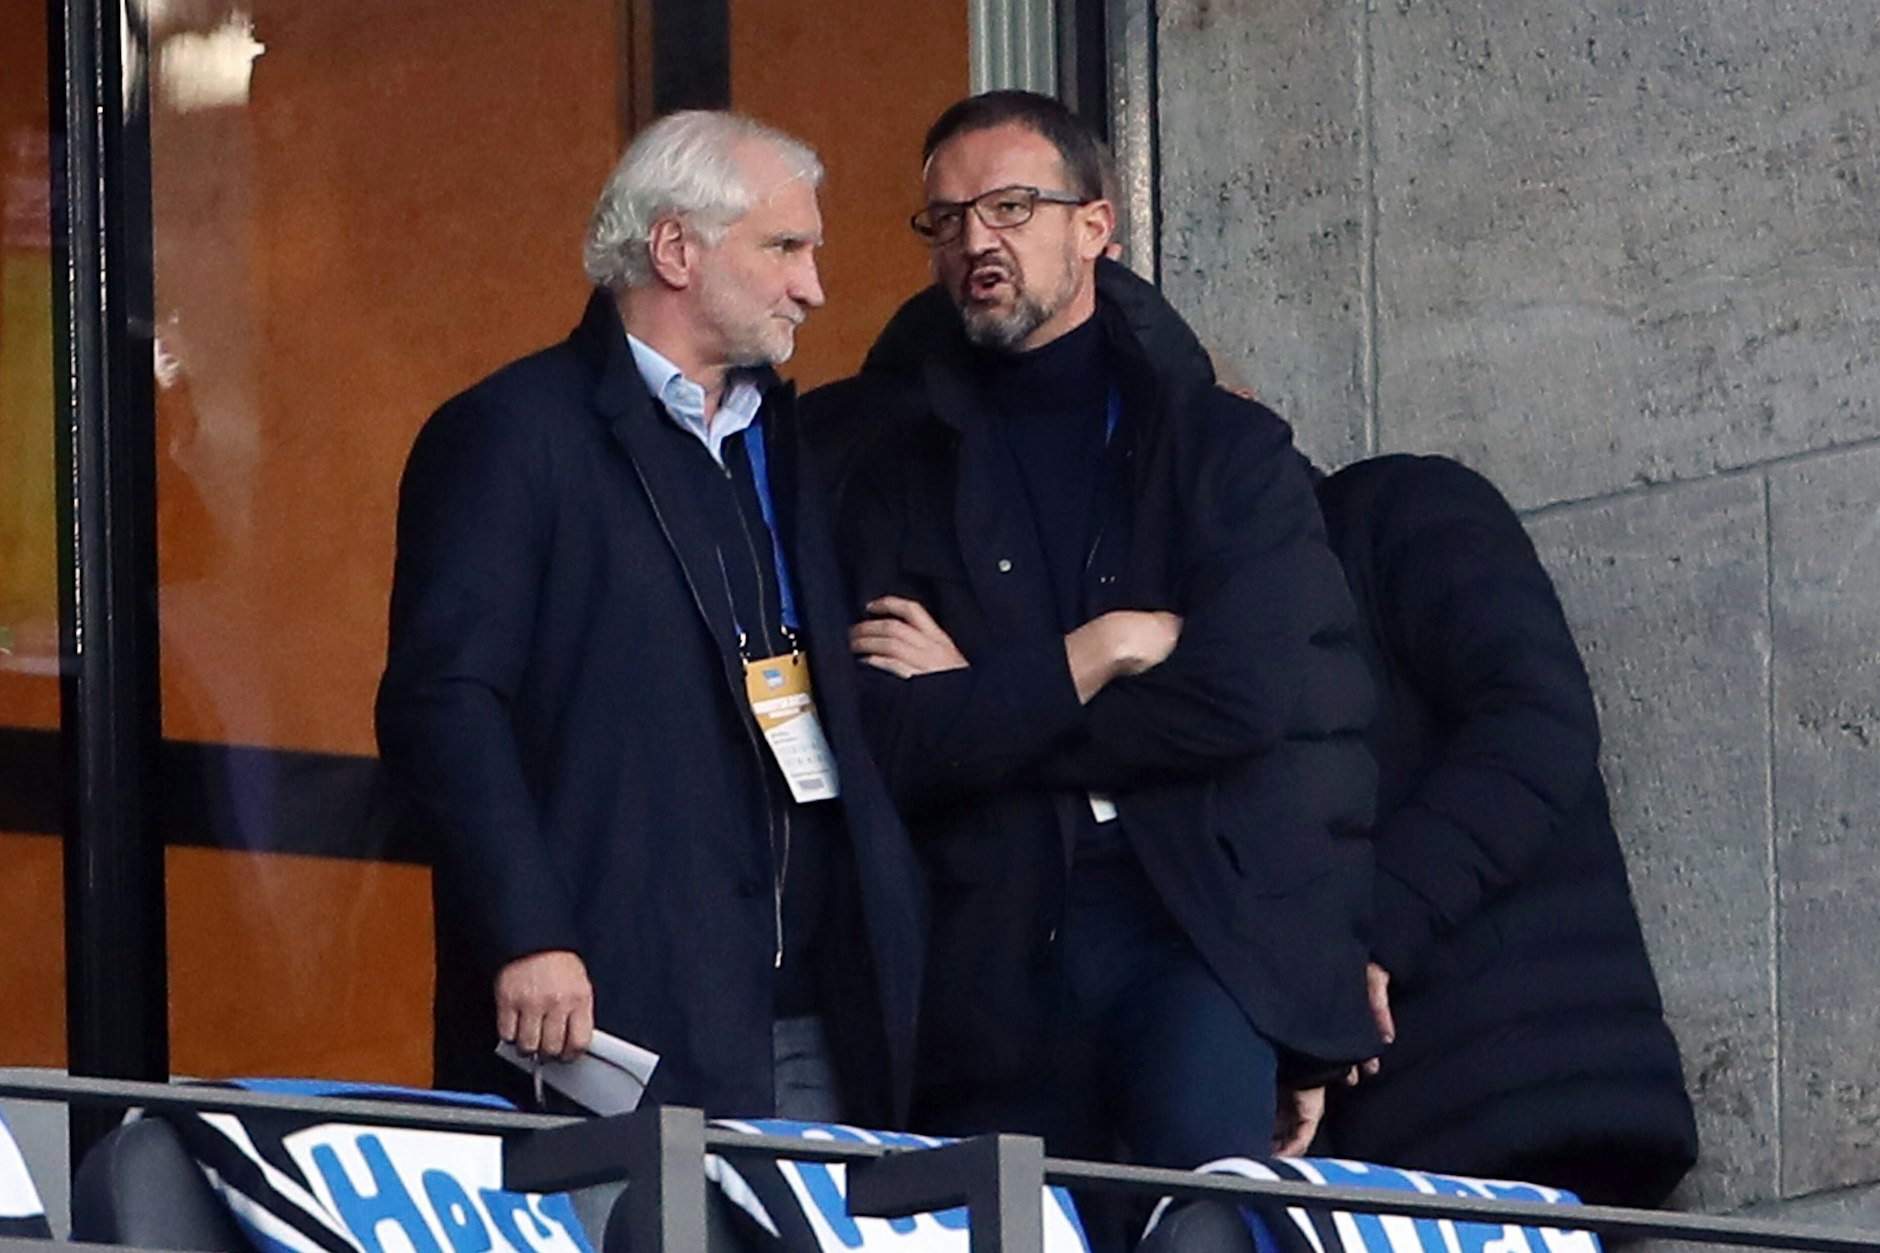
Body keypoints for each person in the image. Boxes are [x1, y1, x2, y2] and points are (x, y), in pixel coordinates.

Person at [804, 90, 1381, 1175]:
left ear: (1095, 224)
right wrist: (1098, 648)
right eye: (947, 217)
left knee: (1202, 1224)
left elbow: (1237, 702)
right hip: (985, 964)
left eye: (1012, 205)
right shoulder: (890, 476)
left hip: (1195, 935)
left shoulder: (1224, 450)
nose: (977, 238)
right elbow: (890, 740)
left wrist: (991, 693)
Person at [375, 111, 925, 1125]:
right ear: (675, 248)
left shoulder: (788, 444)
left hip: (806, 1010)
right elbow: (443, 701)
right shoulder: (511, 433)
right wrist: (527, 930)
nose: (813, 285)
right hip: (601, 1014)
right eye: (784, 247)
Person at [1315, 453, 1699, 1205]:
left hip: (1534, 1087)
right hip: (1394, 1145)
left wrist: (1377, 928)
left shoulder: (1398, 506)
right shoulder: (1206, 621)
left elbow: (1540, 719)